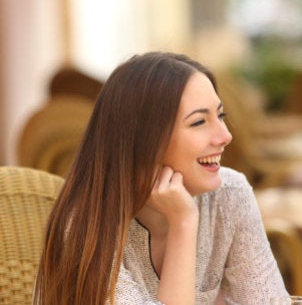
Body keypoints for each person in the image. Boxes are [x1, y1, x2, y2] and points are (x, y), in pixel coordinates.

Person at [33, 52, 288, 304]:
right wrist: (183, 223)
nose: (225, 136)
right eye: (199, 122)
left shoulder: (229, 194)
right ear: (145, 140)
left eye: (220, 116)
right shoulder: (86, 223)